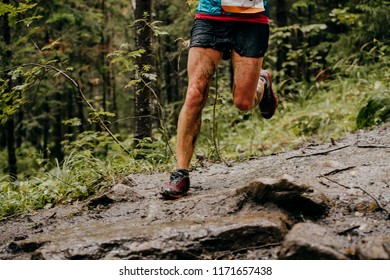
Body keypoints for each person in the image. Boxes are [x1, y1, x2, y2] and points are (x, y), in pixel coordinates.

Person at [161, 0, 278, 199]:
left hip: (252, 19)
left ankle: (263, 83)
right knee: (195, 92)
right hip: (211, 15)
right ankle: (180, 172)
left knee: (243, 102)